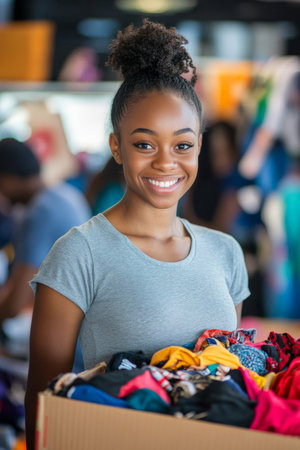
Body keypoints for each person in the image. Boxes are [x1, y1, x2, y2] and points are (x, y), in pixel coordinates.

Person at [25, 20, 250, 450]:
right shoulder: (79, 253)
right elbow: (43, 407)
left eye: (182, 145)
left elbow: (226, 380)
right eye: (145, 144)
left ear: (199, 146)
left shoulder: (226, 254)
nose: (166, 163)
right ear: (116, 146)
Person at [0, 138, 91, 324]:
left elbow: (14, 305)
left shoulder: (38, 213)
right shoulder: (66, 193)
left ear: (7, 179)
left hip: (69, 333)